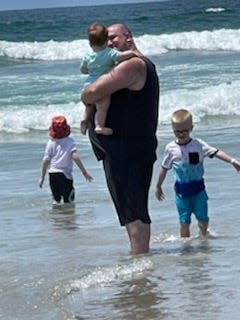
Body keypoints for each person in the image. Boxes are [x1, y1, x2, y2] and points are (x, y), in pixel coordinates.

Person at [81, 23, 159, 255]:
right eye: (105, 39)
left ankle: (140, 261)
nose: (108, 43)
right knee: (128, 209)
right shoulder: (127, 64)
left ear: (128, 37)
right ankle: (139, 256)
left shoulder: (133, 65)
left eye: (113, 38)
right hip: (122, 149)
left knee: (133, 210)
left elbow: (91, 93)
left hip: (129, 149)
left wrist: (86, 94)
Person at [155, 109, 240, 238]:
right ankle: (186, 248)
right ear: (173, 129)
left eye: (185, 131)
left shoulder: (198, 145)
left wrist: (232, 161)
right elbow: (164, 167)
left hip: (199, 191)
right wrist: (158, 185)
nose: (181, 134)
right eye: (177, 131)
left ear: (191, 128)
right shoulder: (170, 148)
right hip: (181, 194)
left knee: (203, 218)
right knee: (184, 222)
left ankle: (203, 236)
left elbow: (216, 152)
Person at [80, 22, 136, 136]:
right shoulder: (109, 52)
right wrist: (132, 53)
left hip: (88, 84)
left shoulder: (88, 55)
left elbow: (83, 70)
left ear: (90, 43)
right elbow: (121, 56)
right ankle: (99, 126)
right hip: (102, 84)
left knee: (89, 106)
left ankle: (84, 119)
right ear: (106, 41)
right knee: (102, 107)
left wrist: (91, 70)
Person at [39, 115, 93, 204]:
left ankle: (57, 217)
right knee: (68, 201)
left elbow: (46, 161)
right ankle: (68, 217)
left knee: (56, 201)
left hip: (52, 174)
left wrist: (42, 178)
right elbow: (75, 156)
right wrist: (85, 172)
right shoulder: (69, 141)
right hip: (65, 175)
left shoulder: (51, 142)